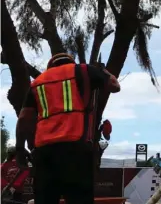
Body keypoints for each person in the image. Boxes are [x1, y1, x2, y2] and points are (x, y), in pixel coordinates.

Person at [15, 53, 121, 204]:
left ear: (50, 66)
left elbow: (24, 118)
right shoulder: (84, 70)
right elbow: (115, 86)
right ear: (71, 62)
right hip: (76, 151)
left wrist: (19, 148)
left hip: (45, 154)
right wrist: (103, 70)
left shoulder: (38, 83)